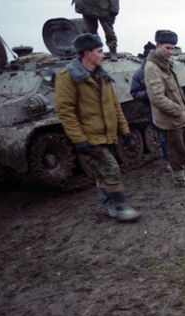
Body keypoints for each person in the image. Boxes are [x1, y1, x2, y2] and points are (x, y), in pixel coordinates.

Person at [55, 33, 140, 222]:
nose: (103, 55)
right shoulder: (68, 78)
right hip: (90, 136)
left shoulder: (103, 75)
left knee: (103, 173)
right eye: (99, 51)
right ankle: (121, 206)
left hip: (107, 134)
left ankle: (109, 205)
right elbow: (65, 112)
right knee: (111, 168)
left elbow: (115, 106)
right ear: (87, 53)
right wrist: (79, 139)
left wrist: (125, 131)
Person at [144, 29, 185, 187]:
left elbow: (176, 90)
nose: (170, 52)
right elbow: (157, 97)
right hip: (170, 117)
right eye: (167, 48)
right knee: (176, 148)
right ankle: (179, 178)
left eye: (173, 48)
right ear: (157, 45)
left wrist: (183, 110)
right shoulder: (152, 67)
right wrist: (178, 111)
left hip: (179, 114)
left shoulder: (164, 64)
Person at [130, 42, 171, 172]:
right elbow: (134, 92)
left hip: (171, 106)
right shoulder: (139, 73)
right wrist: (150, 94)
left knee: (178, 134)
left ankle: (184, 159)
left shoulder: (166, 67)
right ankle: (169, 162)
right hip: (154, 110)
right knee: (163, 137)